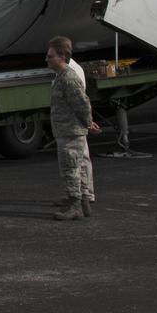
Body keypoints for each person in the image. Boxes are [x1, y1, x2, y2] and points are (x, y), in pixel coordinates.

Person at [47, 40, 99, 220]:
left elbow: (82, 104)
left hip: (70, 130)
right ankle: (83, 201)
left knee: (70, 168)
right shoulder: (62, 76)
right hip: (67, 129)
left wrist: (88, 122)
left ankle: (74, 205)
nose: (47, 59)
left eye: (51, 56)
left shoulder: (68, 78)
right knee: (78, 166)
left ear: (62, 57)